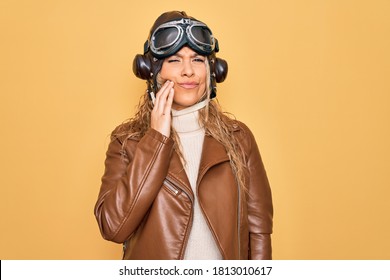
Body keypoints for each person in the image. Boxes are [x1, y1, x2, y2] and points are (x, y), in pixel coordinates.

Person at [94, 11, 273, 260]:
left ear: (213, 71)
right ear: (152, 71)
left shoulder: (239, 138)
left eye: (198, 60)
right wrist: (156, 139)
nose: (188, 71)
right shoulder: (127, 141)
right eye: (175, 60)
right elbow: (113, 226)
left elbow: (259, 230)